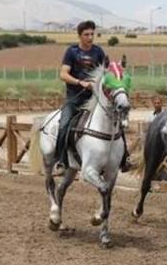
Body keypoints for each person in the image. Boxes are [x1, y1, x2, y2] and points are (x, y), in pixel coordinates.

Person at [54, 20, 131, 173]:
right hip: (75, 98)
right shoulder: (72, 52)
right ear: (79, 36)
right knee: (64, 125)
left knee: (117, 124)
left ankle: (124, 159)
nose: (90, 37)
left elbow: (106, 74)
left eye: (92, 34)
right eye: (86, 34)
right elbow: (63, 74)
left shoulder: (98, 52)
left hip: (96, 99)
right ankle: (61, 161)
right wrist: (80, 82)